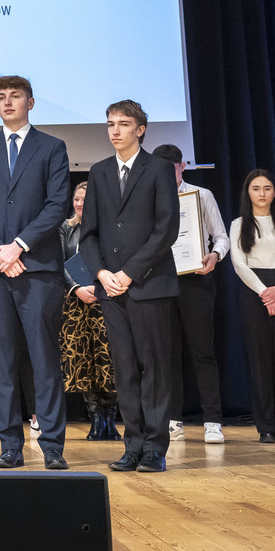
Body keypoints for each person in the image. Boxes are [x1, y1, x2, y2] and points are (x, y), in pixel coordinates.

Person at [0, 75, 71, 470]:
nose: (7, 102)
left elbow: (57, 204)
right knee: (1, 359)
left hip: (37, 268)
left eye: (15, 96)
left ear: (31, 102)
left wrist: (19, 246)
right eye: (1, 97)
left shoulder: (52, 147)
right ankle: (10, 445)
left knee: (44, 358)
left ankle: (52, 446)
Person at [78, 100, 179, 474]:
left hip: (149, 284)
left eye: (123, 123)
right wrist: (102, 273)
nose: (115, 130)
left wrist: (130, 273)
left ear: (141, 129)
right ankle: (133, 444)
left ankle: (154, 448)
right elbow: (89, 233)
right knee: (124, 368)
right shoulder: (99, 171)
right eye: (110, 124)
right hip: (110, 287)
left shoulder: (159, 169)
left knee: (154, 367)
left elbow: (166, 228)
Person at [152, 143, 229, 444]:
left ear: (182, 166)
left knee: (202, 351)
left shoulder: (201, 195)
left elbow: (221, 236)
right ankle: (173, 420)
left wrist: (215, 256)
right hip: (161, 281)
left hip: (196, 280)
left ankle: (213, 420)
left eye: (171, 169)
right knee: (168, 354)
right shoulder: (148, 197)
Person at [228, 169, 275, 443]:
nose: (262, 193)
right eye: (256, 188)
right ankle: (266, 427)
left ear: (274, 192)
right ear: (247, 192)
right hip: (254, 292)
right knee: (260, 362)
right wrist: (265, 293)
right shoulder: (238, 224)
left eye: (267, 188)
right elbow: (239, 263)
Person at [58, 182, 118, 440]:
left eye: (85, 199)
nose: (80, 204)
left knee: (108, 358)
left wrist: (100, 286)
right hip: (76, 303)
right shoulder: (65, 227)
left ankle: (110, 417)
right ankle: (95, 418)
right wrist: (76, 289)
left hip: (107, 298)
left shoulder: (111, 226)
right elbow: (59, 262)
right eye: (77, 199)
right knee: (83, 359)